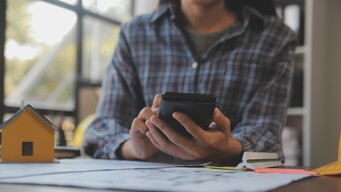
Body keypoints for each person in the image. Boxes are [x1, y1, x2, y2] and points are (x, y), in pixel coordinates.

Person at [83, 0, 297, 164]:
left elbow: (267, 137)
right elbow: (102, 129)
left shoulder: (275, 37)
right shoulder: (134, 34)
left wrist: (228, 146)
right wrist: (135, 148)